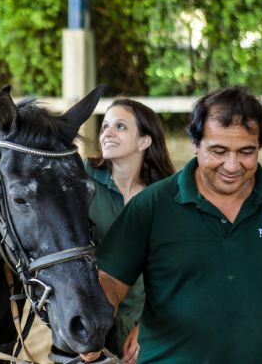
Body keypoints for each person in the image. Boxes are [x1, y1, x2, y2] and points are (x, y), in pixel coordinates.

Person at [90, 86, 262, 363]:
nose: (232, 165)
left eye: (246, 152)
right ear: (195, 145)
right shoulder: (152, 205)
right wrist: (92, 319)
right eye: (218, 151)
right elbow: (109, 280)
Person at [85, 98, 175, 363]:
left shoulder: (165, 196)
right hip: (89, 319)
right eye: (105, 127)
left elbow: (172, 271)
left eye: (120, 126)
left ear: (144, 141)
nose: (107, 133)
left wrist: (147, 326)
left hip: (146, 321)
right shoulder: (80, 178)